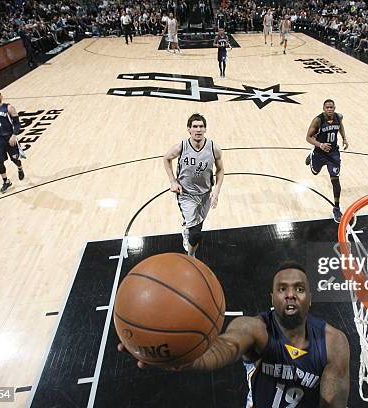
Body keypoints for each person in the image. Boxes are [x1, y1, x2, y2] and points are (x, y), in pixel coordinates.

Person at [118, 262, 351, 407]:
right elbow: (225, 347)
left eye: (299, 289)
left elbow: (333, 403)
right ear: (272, 298)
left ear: (310, 298)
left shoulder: (334, 342)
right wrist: (184, 359)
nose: (290, 295)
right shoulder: (254, 328)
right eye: (282, 289)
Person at [163, 113, 224, 257]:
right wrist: (172, 181)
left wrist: (217, 191)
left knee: (198, 225)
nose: (198, 130)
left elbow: (221, 170)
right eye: (195, 126)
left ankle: (187, 230)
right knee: (196, 233)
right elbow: (166, 159)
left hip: (205, 194)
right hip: (186, 194)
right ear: (189, 129)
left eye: (201, 126)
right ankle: (191, 257)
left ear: (205, 129)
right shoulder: (182, 146)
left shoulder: (214, 148)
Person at [304, 100, 348, 222]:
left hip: (333, 154)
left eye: (331, 107)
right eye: (327, 107)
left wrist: (344, 138)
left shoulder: (338, 117)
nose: (329, 109)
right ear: (323, 108)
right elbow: (308, 137)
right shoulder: (318, 120)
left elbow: (341, 127)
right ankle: (311, 155)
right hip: (319, 153)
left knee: (335, 180)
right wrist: (320, 145)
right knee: (315, 172)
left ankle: (336, 208)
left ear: (335, 108)